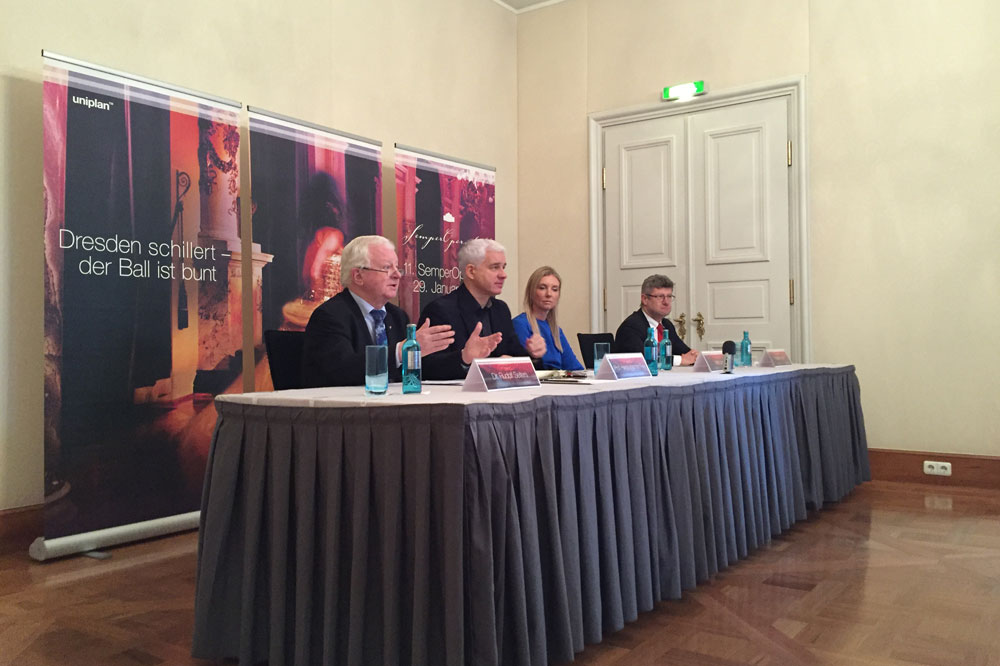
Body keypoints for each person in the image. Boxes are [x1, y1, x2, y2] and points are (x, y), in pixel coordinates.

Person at [301, 235, 459, 387]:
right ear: (358, 276)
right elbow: (342, 369)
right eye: (387, 268)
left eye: (397, 268)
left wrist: (465, 357)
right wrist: (400, 352)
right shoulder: (330, 316)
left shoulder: (397, 316)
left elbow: (424, 372)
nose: (397, 275)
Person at [419, 238, 547, 380]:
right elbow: (427, 367)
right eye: (494, 267)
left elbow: (517, 359)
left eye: (503, 267)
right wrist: (464, 358)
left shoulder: (501, 310)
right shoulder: (441, 310)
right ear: (471, 271)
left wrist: (533, 355)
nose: (503, 274)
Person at [614, 274, 699, 366]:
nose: (666, 302)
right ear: (645, 299)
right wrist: (679, 360)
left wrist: (695, 356)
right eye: (660, 297)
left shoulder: (667, 325)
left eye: (669, 296)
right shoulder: (630, 327)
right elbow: (644, 360)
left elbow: (685, 353)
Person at [512, 266, 583, 371]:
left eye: (554, 289)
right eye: (542, 288)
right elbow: (524, 369)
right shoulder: (520, 324)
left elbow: (575, 368)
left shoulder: (556, 331)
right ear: (531, 292)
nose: (549, 294)